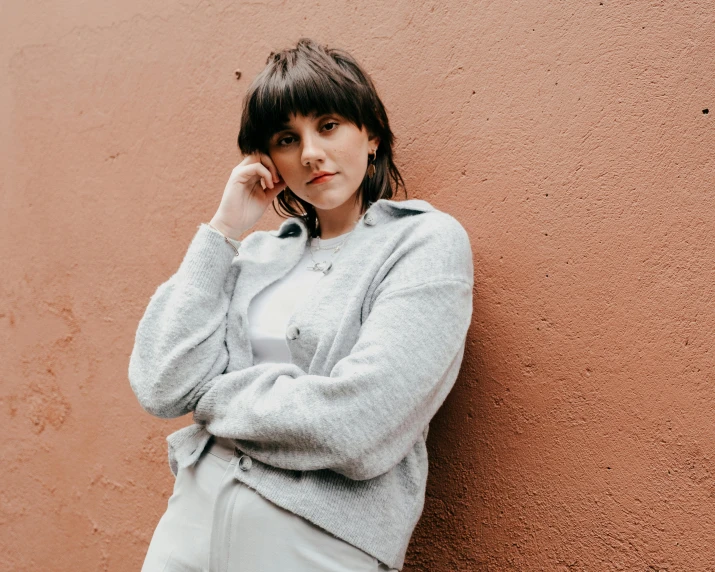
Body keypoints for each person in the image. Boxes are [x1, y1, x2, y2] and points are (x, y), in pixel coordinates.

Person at [128, 37, 474, 572]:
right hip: (188, 530)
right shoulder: (257, 255)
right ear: (270, 161)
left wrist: (214, 400)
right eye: (288, 138)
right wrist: (222, 232)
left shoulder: (423, 243)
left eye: (328, 125)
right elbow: (161, 382)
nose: (310, 152)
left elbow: (360, 426)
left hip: (319, 545)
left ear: (372, 134)